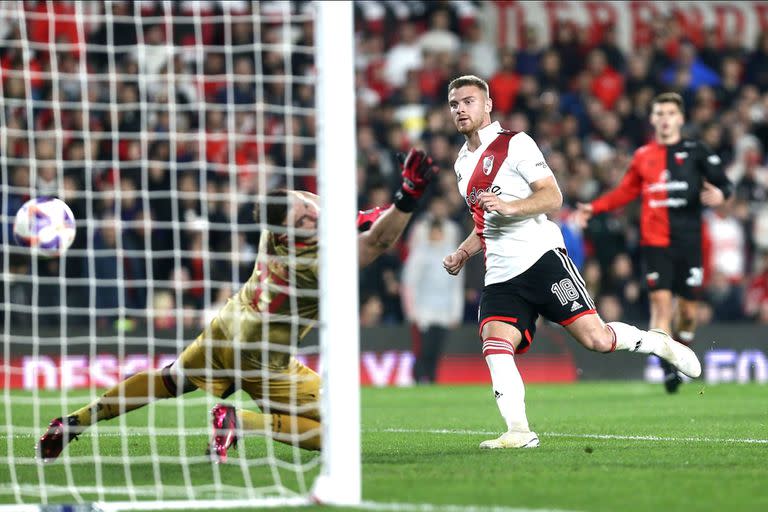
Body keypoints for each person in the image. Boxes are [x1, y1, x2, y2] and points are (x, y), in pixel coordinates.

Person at [36, 148, 439, 463]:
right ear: (291, 234)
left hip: (229, 324)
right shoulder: (314, 262)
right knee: (338, 433)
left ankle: (75, 421)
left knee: (170, 380)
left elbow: (339, 215)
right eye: (304, 219)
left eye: (308, 209)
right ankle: (239, 422)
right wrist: (408, 196)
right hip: (263, 355)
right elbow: (378, 242)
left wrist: (368, 212)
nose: (312, 213)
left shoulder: (282, 217)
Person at [441, 75, 701, 450]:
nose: (461, 109)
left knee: (597, 340)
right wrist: (463, 253)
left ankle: (658, 343)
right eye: (454, 104)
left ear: (487, 106)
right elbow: (484, 224)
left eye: (468, 101)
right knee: (495, 342)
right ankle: (518, 431)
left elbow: (552, 197)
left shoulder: (515, 144)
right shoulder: (462, 163)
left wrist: (511, 206)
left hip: (541, 258)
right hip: (500, 273)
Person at [574, 92, 732, 393]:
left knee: (687, 313)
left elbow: (724, 182)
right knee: (660, 306)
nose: (664, 119)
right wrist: (594, 207)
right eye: (659, 113)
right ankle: (667, 364)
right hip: (656, 243)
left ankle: (680, 351)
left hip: (688, 243)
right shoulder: (644, 156)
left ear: (680, 118)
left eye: (670, 113)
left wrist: (721, 194)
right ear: (653, 119)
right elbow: (624, 193)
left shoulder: (696, 151)